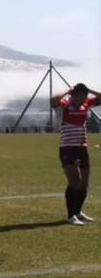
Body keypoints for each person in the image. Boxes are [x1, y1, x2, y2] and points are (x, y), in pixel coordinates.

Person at [50, 83, 101, 225]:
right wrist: (68, 90)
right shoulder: (64, 105)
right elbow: (53, 99)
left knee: (84, 183)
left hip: (82, 148)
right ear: (75, 95)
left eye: (86, 96)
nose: (85, 98)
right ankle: (71, 215)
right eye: (82, 96)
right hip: (67, 148)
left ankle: (78, 212)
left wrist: (89, 89)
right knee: (75, 182)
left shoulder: (85, 105)